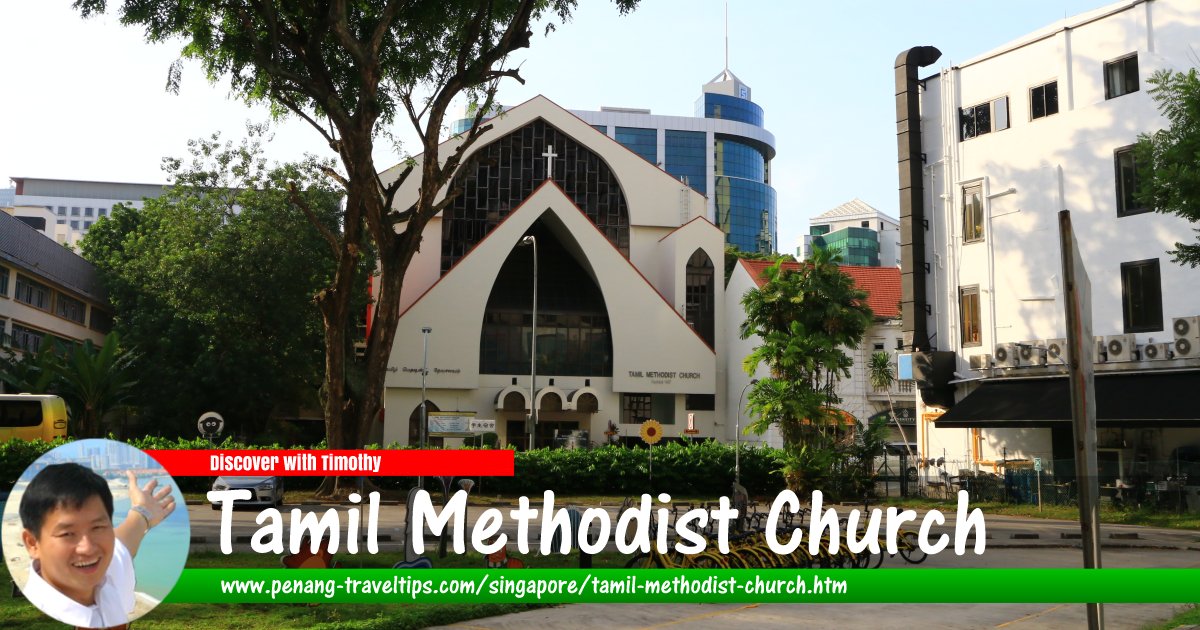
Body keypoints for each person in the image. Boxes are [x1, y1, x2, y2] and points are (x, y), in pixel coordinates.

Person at [18, 463, 176, 628]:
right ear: (32, 543)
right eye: (67, 534)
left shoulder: (105, 570)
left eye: (97, 527)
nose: (88, 548)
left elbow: (122, 544)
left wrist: (143, 512)